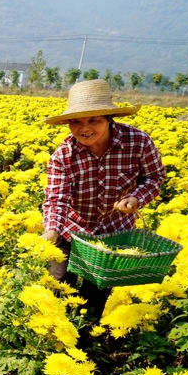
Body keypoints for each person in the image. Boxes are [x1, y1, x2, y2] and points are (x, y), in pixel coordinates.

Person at [41, 79, 165, 325]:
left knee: (94, 297)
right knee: (53, 288)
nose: (84, 128)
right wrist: (51, 231)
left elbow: (154, 177)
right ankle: (51, 337)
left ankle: (86, 339)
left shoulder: (138, 142)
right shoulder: (63, 155)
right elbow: (56, 199)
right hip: (71, 230)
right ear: (68, 123)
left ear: (109, 118)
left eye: (94, 120)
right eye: (76, 121)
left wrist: (136, 198)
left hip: (113, 235)